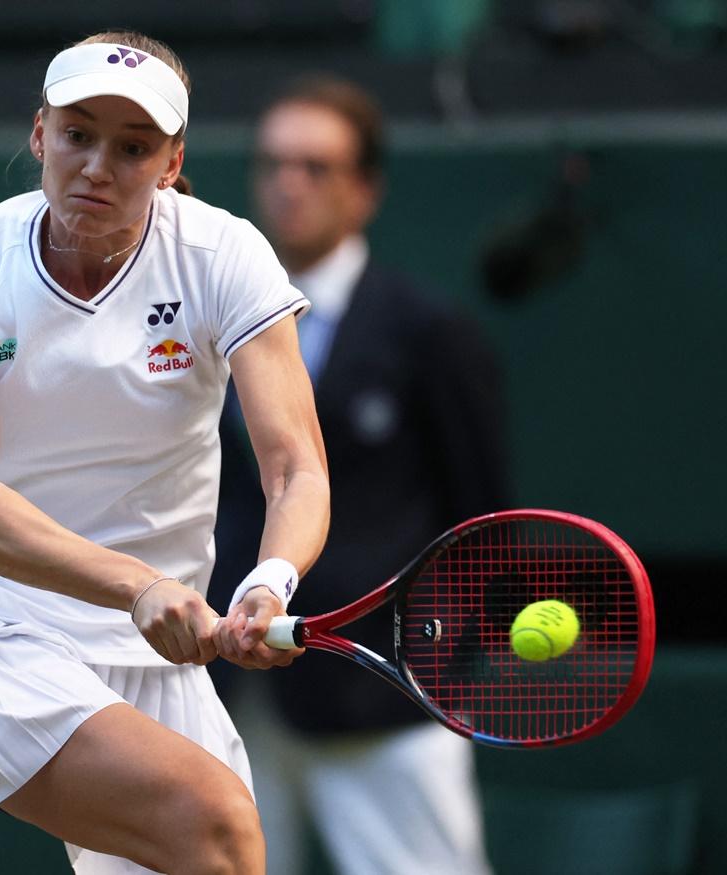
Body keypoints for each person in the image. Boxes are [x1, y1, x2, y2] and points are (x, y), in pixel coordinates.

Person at [0, 31, 330, 875]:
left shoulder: (222, 255)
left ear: (171, 160)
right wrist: (137, 586)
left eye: (132, 147)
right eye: (79, 134)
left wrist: (271, 580)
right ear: (41, 133)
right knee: (219, 827)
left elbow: (295, 466)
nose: (97, 165)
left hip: (160, 652)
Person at [211, 76, 509, 875]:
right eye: (274, 163)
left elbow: (481, 513)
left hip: (385, 703)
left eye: (316, 166)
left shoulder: (430, 333)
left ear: (366, 189)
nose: (289, 184)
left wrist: (429, 667)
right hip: (231, 697)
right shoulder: (206, 325)